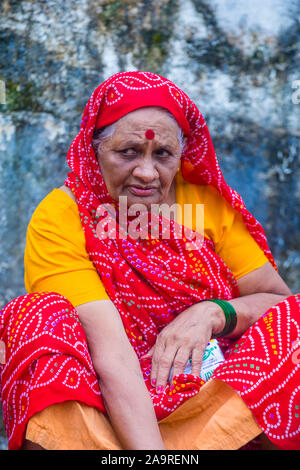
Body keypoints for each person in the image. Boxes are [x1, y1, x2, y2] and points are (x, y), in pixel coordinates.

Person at [0, 71, 299, 451]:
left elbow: (280, 304)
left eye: (162, 155)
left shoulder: (204, 204)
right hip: (102, 417)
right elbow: (110, 353)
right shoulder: (62, 216)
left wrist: (211, 313)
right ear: (94, 151)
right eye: (128, 152)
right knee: (36, 317)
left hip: (210, 408)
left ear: (181, 155)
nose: (146, 172)